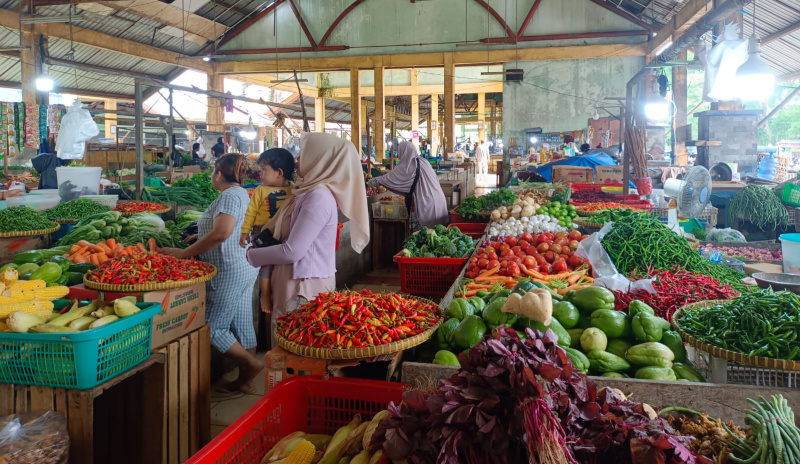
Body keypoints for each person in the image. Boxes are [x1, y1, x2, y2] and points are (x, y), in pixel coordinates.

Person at [246, 133, 370, 346]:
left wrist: (250, 256)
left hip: (303, 291)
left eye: (303, 155)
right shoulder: (305, 192)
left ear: (319, 160)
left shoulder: (317, 198)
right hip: (292, 286)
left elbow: (292, 251)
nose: (297, 160)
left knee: (292, 356)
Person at [160, 154, 261, 395]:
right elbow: (226, 229)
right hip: (244, 265)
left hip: (228, 269)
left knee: (213, 327)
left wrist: (184, 253)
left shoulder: (227, 196)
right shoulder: (241, 194)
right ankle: (245, 381)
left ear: (219, 174)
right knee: (242, 324)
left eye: (213, 173)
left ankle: (253, 365)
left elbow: (221, 233)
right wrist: (199, 237)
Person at [239, 148, 294, 317]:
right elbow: (251, 212)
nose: (260, 174)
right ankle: (265, 294)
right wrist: (245, 232)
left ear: (279, 172)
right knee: (266, 264)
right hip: (262, 232)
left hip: (285, 232)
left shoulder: (294, 189)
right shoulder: (260, 190)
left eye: (264, 169)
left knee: (282, 263)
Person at [368, 141, 448, 228]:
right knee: (438, 235)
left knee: (425, 235)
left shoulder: (408, 165)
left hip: (427, 205)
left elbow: (388, 179)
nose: (399, 157)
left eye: (400, 153)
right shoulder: (424, 162)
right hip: (440, 201)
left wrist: (368, 182)